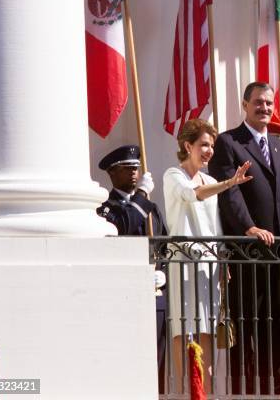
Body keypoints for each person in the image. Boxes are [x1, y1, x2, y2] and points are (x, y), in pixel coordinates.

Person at [208, 81, 280, 394]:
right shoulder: (229, 142)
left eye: (269, 103)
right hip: (247, 254)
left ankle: (272, 388)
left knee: (274, 329)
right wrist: (248, 228)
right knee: (246, 328)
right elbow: (230, 193)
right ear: (245, 105)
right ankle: (244, 391)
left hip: (279, 255)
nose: (265, 108)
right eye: (258, 102)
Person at [163, 119, 252, 393]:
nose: (209, 150)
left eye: (212, 145)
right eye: (204, 144)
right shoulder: (173, 175)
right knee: (183, 326)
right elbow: (193, 195)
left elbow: (216, 226)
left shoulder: (212, 180)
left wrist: (222, 257)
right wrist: (230, 182)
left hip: (209, 264)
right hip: (183, 264)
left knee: (208, 328)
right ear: (187, 145)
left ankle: (206, 391)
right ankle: (184, 391)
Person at [97, 144, 168, 393]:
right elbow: (125, 225)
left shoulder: (152, 209)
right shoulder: (106, 208)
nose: (134, 174)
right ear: (112, 174)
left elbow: (165, 246)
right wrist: (142, 196)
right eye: (127, 169)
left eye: (136, 168)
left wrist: (163, 275)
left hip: (155, 293)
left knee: (156, 356)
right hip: (123, 294)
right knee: (128, 353)